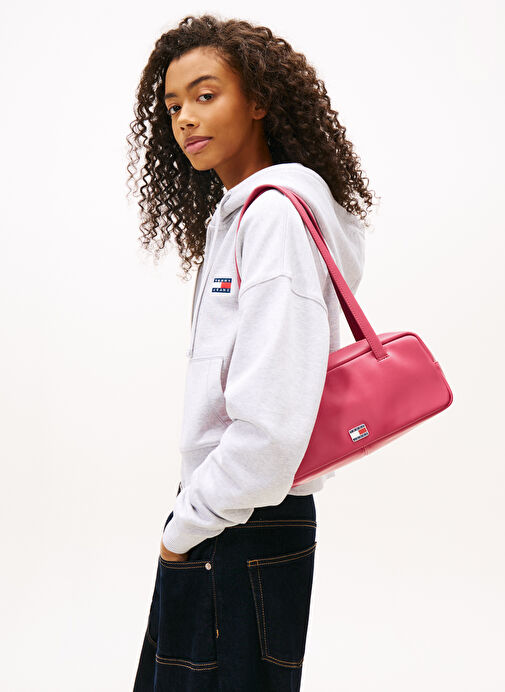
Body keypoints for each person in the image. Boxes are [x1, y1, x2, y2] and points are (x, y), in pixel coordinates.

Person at [127, 13, 377, 692]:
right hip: (232, 518)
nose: (184, 118)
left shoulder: (271, 218)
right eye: (172, 105)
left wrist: (183, 528)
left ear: (259, 100)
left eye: (205, 95)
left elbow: (269, 426)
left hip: (238, 525)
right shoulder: (247, 213)